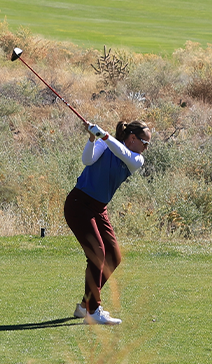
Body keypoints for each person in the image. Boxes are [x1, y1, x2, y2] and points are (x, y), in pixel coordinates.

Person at [64, 119, 151, 326]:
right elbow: (87, 160)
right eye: (145, 142)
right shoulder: (105, 143)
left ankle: (85, 305)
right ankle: (93, 311)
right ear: (132, 138)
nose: (146, 147)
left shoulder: (136, 159)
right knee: (98, 254)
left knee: (113, 255)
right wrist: (92, 138)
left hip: (98, 209)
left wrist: (104, 135)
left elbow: (122, 153)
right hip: (79, 204)